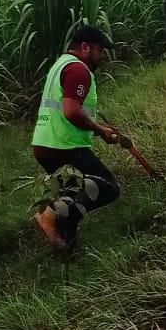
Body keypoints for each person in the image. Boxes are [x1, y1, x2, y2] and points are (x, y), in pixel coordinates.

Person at [31, 24, 122, 251]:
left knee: (72, 197)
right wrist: (100, 131)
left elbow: (70, 112)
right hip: (65, 146)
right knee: (108, 187)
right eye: (100, 50)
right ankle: (48, 215)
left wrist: (98, 128)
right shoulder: (78, 70)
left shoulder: (60, 65)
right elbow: (71, 111)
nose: (101, 56)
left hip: (45, 145)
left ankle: (66, 252)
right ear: (85, 47)